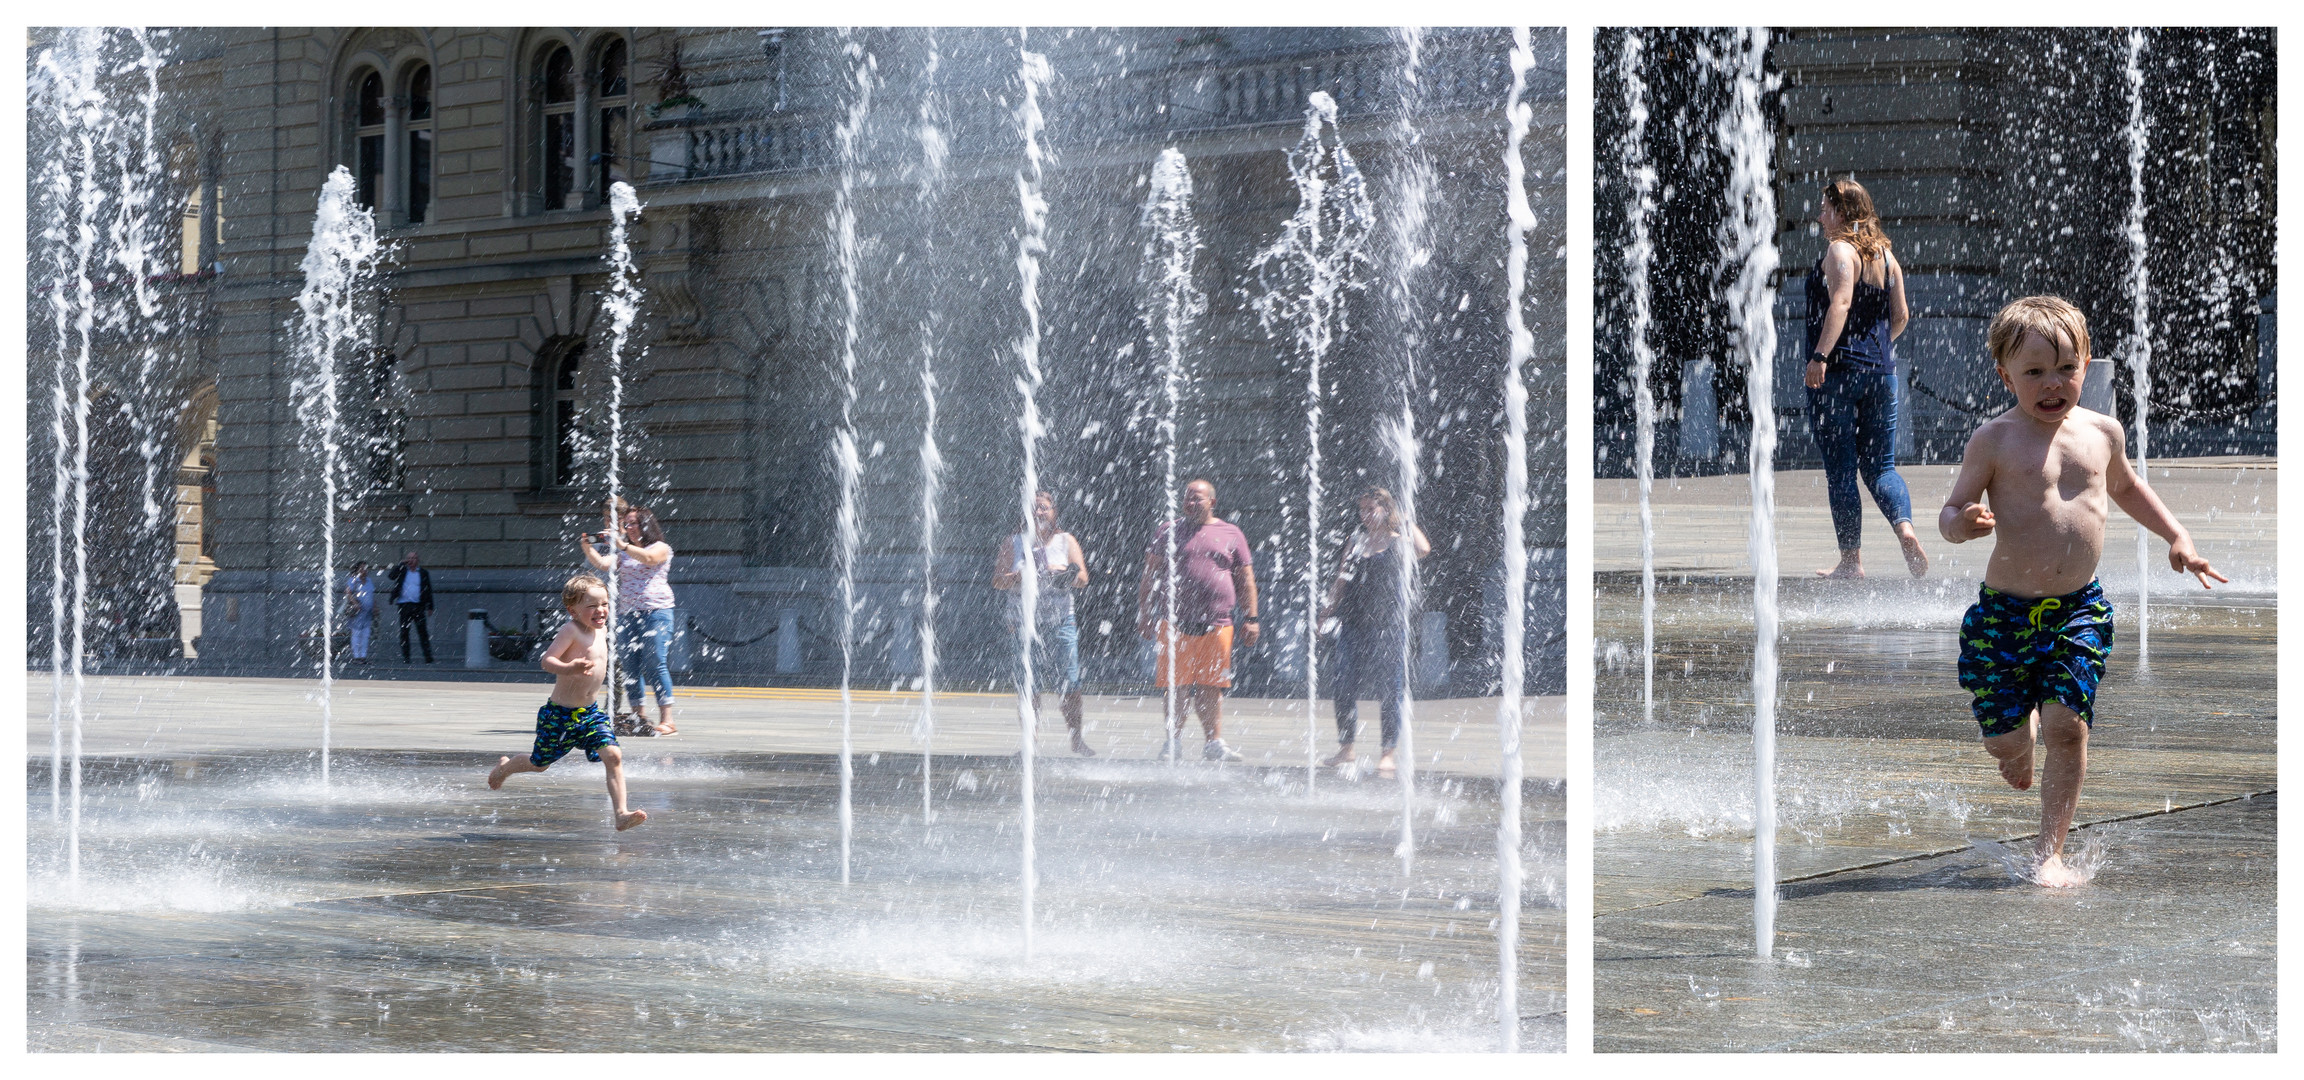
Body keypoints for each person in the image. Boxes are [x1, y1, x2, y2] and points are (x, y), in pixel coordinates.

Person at [1939, 296, 2224, 887]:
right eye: (2034, 372)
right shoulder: (1994, 440)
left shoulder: (2102, 432)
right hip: (2004, 618)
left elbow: (2127, 488)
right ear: (2005, 375)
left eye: (2066, 368)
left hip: (2080, 610)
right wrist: (1962, 522)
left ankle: (2050, 854)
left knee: (2069, 727)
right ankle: (2017, 744)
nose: (2052, 385)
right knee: (2006, 742)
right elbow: (1949, 511)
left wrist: (2178, 535)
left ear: (2087, 365)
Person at [1805, 177, 1929, 580]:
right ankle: (1905, 529)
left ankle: (1851, 561)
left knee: (1841, 470)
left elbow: (1840, 301)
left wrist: (1822, 355)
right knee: (1881, 468)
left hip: (1837, 376)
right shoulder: (1886, 257)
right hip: (1882, 374)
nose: (1820, 216)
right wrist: (1875, 352)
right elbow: (1902, 317)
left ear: (1842, 213)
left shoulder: (1840, 250)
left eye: (1825, 208)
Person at [487, 573, 648, 831]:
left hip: (590, 714)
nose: (601, 610)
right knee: (539, 765)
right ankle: (504, 769)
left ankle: (620, 814)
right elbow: (547, 660)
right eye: (592, 605)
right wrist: (569, 667)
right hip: (559, 715)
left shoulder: (602, 629)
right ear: (572, 610)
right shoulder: (570, 630)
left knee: (613, 755)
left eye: (605, 603)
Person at [1136, 478, 1260, 763]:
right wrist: (1145, 613)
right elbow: (1149, 574)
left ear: (1212, 502)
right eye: (1188, 498)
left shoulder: (1232, 533)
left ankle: (1213, 743)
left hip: (1218, 623)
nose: (1191, 503)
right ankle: (1173, 742)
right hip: (1174, 623)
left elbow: (1246, 579)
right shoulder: (1168, 531)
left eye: (1198, 498)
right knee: (1175, 686)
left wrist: (1251, 617)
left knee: (1210, 686)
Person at [1317, 487, 1431, 779]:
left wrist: (1406, 520)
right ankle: (1346, 749)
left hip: (1388, 626)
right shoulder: (1356, 541)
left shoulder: (1398, 542)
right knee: (1342, 684)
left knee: (1389, 690)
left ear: (1386, 510)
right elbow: (1341, 580)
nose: (1365, 516)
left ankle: (1387, 754)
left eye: (1372, 509)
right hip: (1353, 624)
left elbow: (1424, 549)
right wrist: (1325, 613)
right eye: (1362, 510)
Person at [994, 490, 1094, 757]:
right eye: (1033, 508)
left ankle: (1076, 739)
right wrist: (1016, 577)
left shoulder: (1066, 541)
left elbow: (1083, 577)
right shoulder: (1013, 542)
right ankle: (1030, 743)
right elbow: (997, 581)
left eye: (1044, 508)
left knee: (1070, 683)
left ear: (1054, 512)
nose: (1039, 513)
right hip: (1023, 624)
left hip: (1061, 621)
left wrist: (1065, 577)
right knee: (1029, 685)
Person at [584, 500, 678, 736]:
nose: (629, 527)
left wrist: (623, 546)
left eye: (633, 524)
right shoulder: (624, 552)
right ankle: (639, 715)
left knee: (655, 662)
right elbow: (604, 564)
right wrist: (588, 547)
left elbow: (649, 559)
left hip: (657, 612)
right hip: (628, 614)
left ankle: (667, 719)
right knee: (630, 666)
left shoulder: (660, 547)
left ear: (645, 525)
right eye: (626, 524)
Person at [388, 550, 434, 663]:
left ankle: (428, 656)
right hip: (404, 605)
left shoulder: (423, 573)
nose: (411, 560)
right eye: (409, 558)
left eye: (414, 558)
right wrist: (400, 564)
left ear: (418, 561)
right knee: (404, 632)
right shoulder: (402, 570)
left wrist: (430, 606)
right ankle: (406, 657)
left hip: (418, 605)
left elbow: (428, 590)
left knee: (422, 632)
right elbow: (391, 576)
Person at [343, 561, 375, 664]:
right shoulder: (354, 580)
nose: (364, 570)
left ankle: (363, 656)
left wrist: (375, 606)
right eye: (361, 568)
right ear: (357, 570)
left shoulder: (369, 581)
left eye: (365, 568)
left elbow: (371, 595)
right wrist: (355, 603)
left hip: (368, 611)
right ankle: (356, 656)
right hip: (358, 611)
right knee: (356, 633)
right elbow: (348, 592)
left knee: (366, 633)